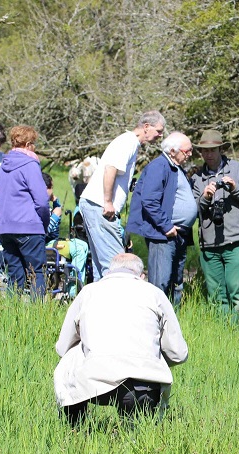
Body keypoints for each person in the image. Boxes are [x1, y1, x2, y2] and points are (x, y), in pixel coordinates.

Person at [53, 253, 188, 426]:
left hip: (93, 382)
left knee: (70, 357)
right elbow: (178, 353)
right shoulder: (155, 293)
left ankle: (75, 427)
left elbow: (62, 347)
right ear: (141, 276)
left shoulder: (88, 292)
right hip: (144, 385)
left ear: (108, 273)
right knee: (137, 435)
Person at [78, 111, 166, 281]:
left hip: (93, 205)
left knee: (101, 265)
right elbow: (110, 169)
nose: (160, 135)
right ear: (146, 127)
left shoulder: (128, 142)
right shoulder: (128, 142)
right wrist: (108, 202)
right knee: (117, 265)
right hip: (100, 206)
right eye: (159, 131)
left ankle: (99, 297)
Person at [191, 129, 239, 322]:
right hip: (209, 243)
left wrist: (235, 188)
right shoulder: (197, 178)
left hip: (235, 240)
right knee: (216, 294)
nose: (209, 154)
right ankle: (221, 329)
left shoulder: (238, 170)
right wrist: (205, 197)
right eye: (205, 151)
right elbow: (192, 210)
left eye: (212, 150)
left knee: (237, 291)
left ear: (221, 149)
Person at [126, 132, 197, 307]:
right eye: (187, 151)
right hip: (163, 235)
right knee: (160, 282)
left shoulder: (176, 168)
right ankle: (156, 318)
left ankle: (173, 319)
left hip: (179, 234)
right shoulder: (159, 167)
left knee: (176, 282)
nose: (190, 154)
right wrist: (166, 226)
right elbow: (149, 200)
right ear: (172, 151)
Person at [0, 125, 49, 298]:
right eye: (33, 144)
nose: (34, 148)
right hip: (28, 226)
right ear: (27, 145)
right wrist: (43, 224)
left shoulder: (2, 167)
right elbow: (42, 201)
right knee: (37, 273)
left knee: (15, 274)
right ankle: (37, 311)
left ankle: (12, 310)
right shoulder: (30, 165)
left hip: (5, 228)